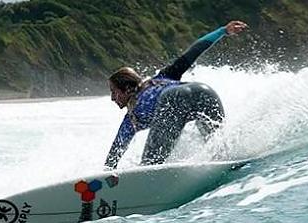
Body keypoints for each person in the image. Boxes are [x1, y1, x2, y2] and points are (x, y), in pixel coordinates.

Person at [104, 20, 248, 170]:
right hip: (204, 91)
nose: (113, 98)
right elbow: (193, 51)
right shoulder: (163, 77)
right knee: (221, 153)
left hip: (172, 99)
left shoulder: (132, 118)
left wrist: (106, 177)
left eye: (114, 92)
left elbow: (114, 155)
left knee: (149, 166)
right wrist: (223, 31)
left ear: (127, 89)